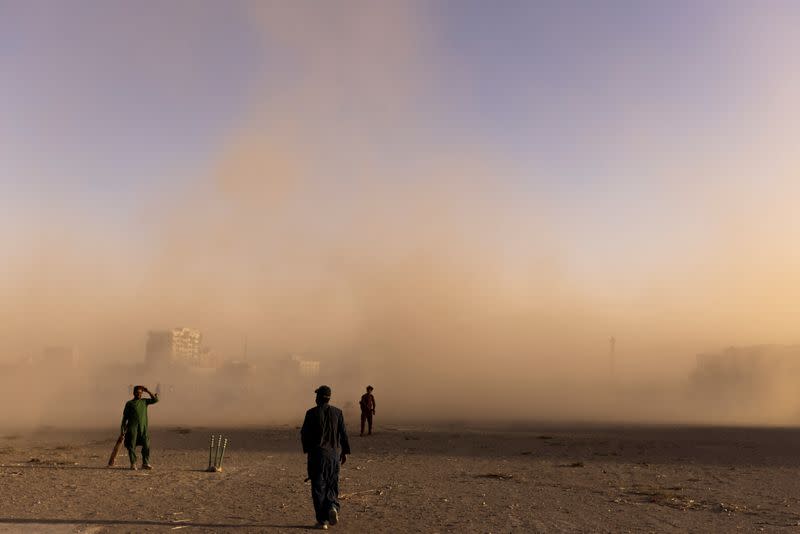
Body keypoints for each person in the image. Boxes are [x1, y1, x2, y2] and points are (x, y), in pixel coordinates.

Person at [301, 385, 351, 530]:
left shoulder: (311, 413)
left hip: (317, 456)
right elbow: (343, 434)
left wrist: (308, 450)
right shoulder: (338, 413)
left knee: (318, 487)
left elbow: (304, 434)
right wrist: (344, 452)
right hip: (334, 456)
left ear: (318, 398)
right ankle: (333, 507)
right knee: (332, 484)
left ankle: (322, 520)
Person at [120, 385, 159, 470]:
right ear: (134, 393)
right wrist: (122, 429)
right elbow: (124, 418)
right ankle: (133, 463)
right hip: (132, 428)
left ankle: (145, 463)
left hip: (143, 428)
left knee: (146, 444)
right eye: (137, 393)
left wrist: (147, 391)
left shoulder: (144, 402)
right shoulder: (129, 403)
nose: (139, 394)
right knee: (131, 446)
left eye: (141, 393)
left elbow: (156, 400)